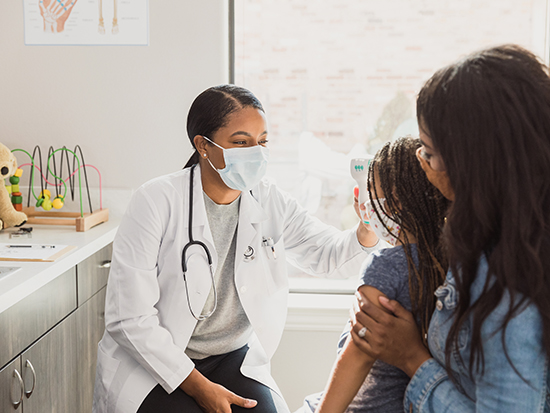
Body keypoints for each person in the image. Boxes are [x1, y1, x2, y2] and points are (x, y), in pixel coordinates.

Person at [92, 84, 381, 413]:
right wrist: (201, 389)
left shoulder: (269, 200)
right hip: (156, 362)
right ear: (203, 145)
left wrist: (366, 226)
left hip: (231, 358)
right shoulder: (156, 202)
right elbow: (129, 319)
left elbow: (328, 255)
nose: (256, 152)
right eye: (241, 142)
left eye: (262, 142)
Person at [350, 44, 550, 412]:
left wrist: (412, 358)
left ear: (471, 163)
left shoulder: (512, 288)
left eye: (427, 151)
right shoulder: (491, 239)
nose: (421, 163)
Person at [301, 137, 448, 413]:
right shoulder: (448, 262)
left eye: (371, 193)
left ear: (394, 201)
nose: (367, 204)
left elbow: (356, 358)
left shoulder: (385, 266)